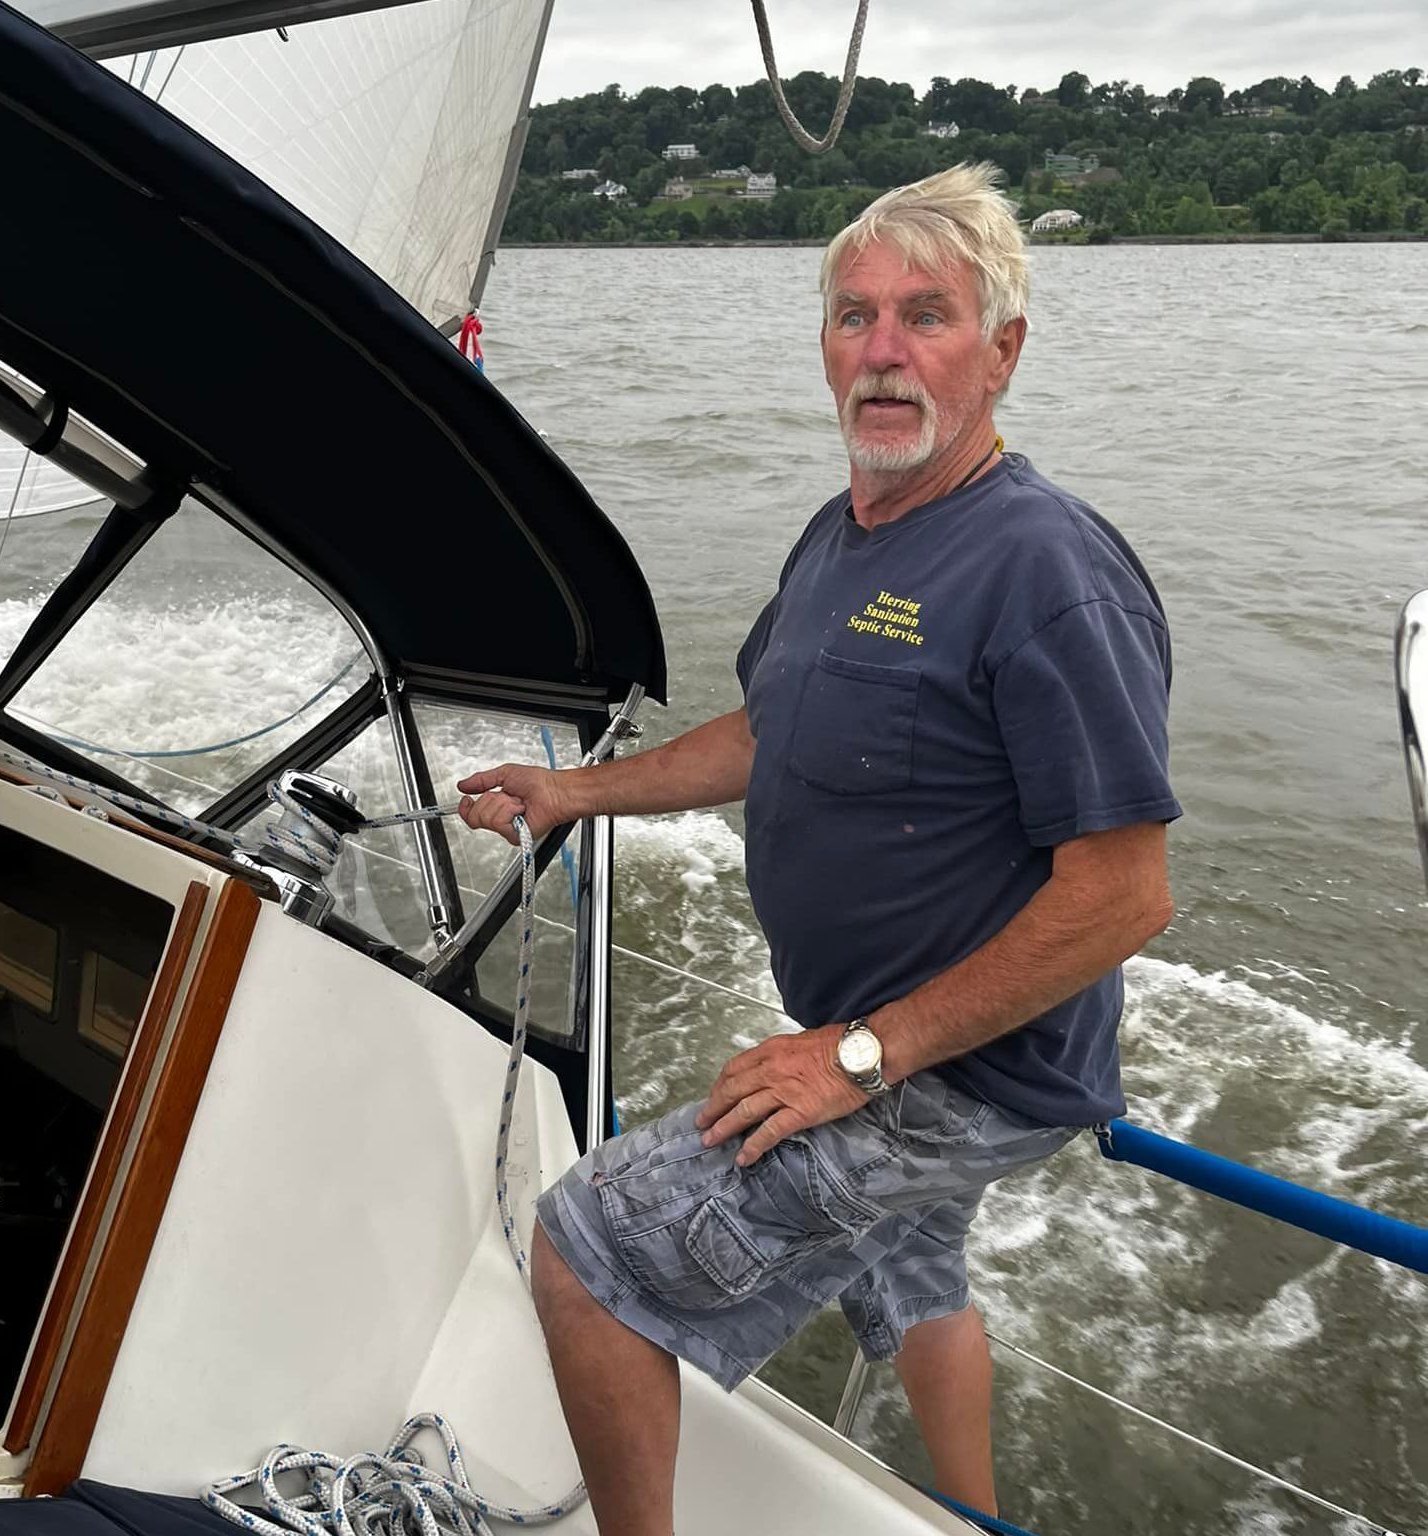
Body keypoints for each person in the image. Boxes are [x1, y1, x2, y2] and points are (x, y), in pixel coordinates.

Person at [456, 161, 1179, 1534]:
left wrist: (860, 1058)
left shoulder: (1046, 568)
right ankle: (973, 1518)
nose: (885, 351)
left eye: (927, 315)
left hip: (963, 1070)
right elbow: (766, 732)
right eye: (854, 318)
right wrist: (575, 797)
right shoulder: (841, 534)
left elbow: (1123, 896)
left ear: (1003, 352)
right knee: (915, 1276)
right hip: (885, 1032)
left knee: (590, 1246)